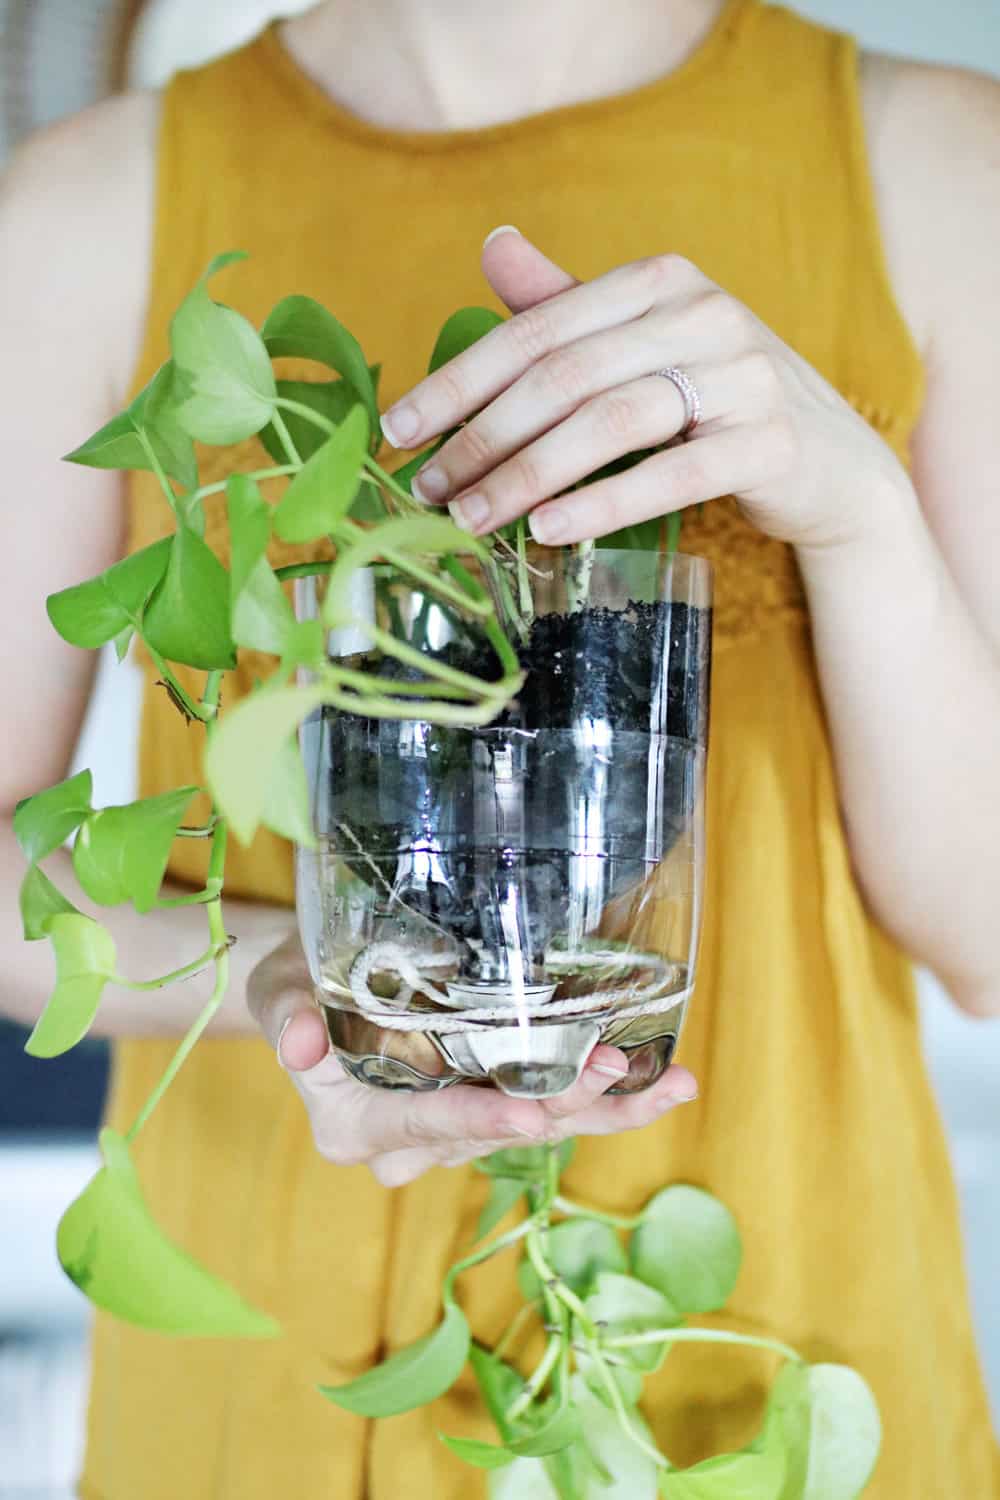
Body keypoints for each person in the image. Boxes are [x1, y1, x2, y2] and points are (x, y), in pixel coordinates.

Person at [2, 0, 998, 1494]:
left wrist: (854, 508)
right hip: (278, 1357)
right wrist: (285, 977)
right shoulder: (91, 204)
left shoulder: (937, 169)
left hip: (763, 1338)